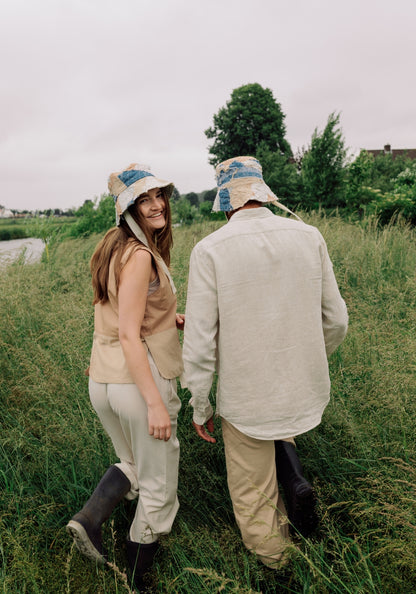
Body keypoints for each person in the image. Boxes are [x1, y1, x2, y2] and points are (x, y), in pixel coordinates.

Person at [182, 156, 348, 569]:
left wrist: (200, 405)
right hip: (301, 388)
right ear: (262, 191)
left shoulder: (209, 250)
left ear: (226, 201)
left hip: (246, 396)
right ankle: (294, 482)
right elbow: (337, 320)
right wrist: (308, 359)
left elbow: (200, 343)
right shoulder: (309, 236)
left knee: (253, 491)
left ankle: (279, 569)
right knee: (281, 435)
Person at [66, 163, 184, 590]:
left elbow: (118, 314)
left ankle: (91, 519)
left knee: (134, 464)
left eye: (159, 196)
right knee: (158, 484)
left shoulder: (112, 247)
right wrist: (155, 402)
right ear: (127, 208)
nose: (156, 205)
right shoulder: (138, 256)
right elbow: (130, 334)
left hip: (104, 378)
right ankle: (139, 578)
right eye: (144, 200)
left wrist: (171, 316)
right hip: (137, 382)